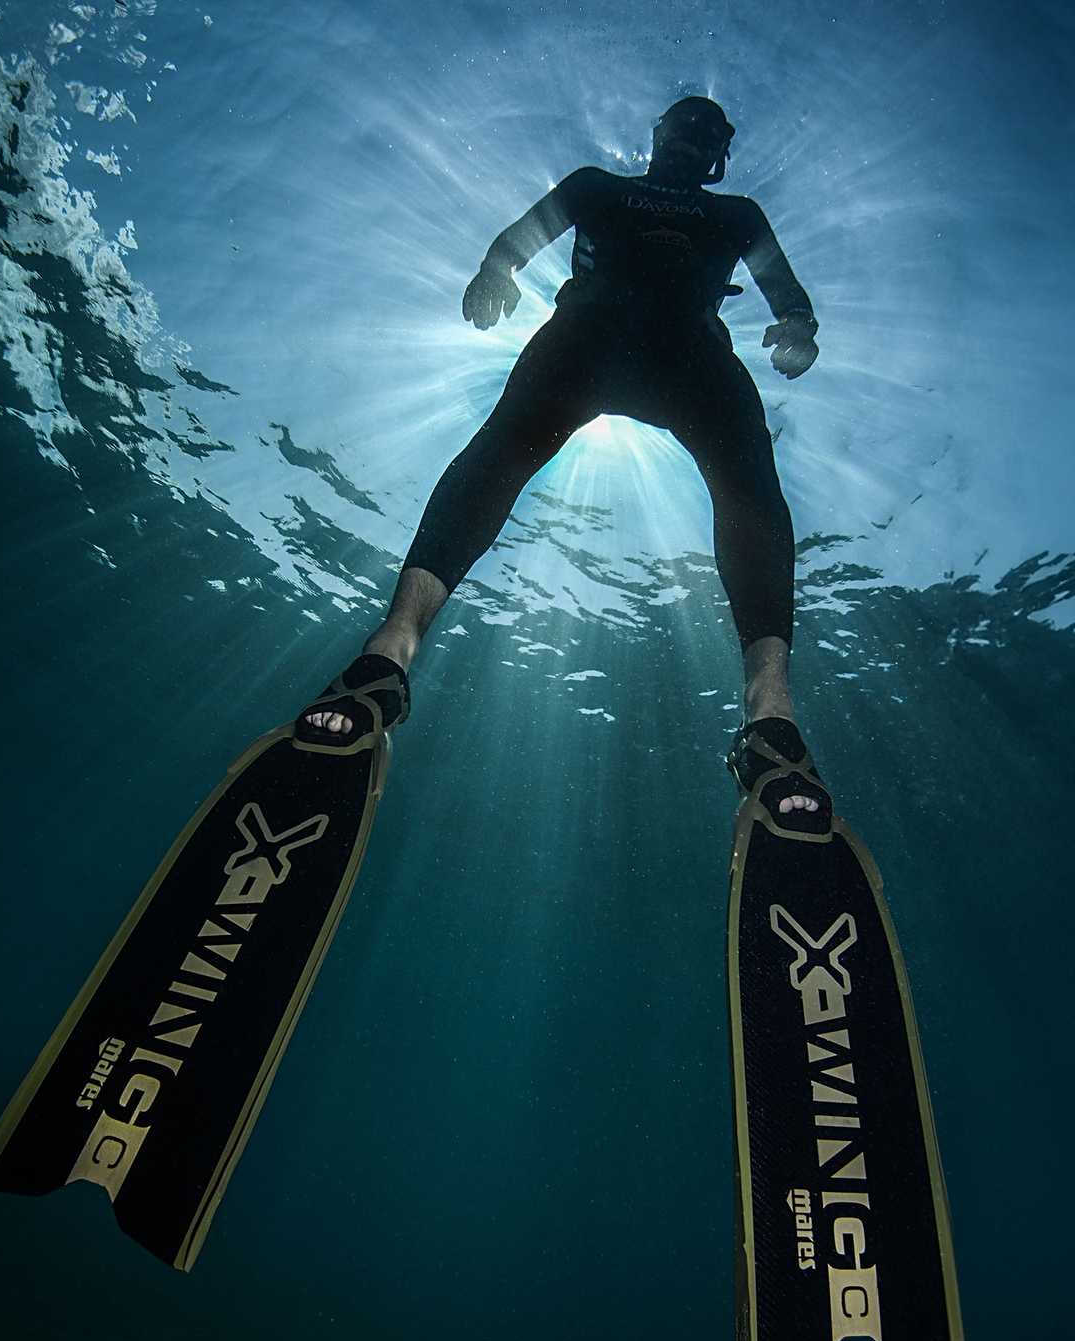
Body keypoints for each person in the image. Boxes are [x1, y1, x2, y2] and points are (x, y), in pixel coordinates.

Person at [300, 96, 829, 821]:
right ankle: (390, 647)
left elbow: (787, 294)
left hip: (678, 361)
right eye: (684, 126)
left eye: (707, 135)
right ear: (659, 135)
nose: (691, 140)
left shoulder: (738, 214)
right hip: (590, 345)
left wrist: (798, 326)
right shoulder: (595, 185)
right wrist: (496, 271)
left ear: (718, 157)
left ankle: (771, 709)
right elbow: (519, 237)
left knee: (752, 491)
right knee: (496, 456)